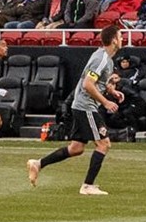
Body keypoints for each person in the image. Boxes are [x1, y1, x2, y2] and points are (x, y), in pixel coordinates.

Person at [27, 25, 122, 196]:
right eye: (120, 36)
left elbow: (96, 82)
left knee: (76, 148)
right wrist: (106, 102)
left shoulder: (105, 58)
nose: (122, 39)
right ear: (114, 40)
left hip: (81, 105)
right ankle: (88, 186)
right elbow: (88, 84)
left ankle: (38, 164)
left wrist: (111, 91)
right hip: (86, 106)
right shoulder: (101, 58)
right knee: (103, 143)